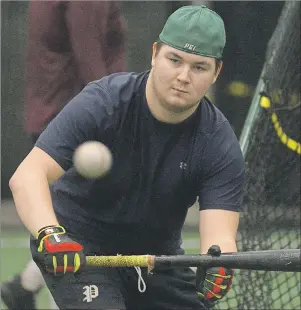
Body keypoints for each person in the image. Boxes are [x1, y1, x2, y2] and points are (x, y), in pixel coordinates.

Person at [8, 5, 244, 310]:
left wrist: (219, 264)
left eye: (199, 67)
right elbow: (27, 176)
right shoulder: (104, 102)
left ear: (216, 73)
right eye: (175, 60)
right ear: (155, 53)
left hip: (156, 257)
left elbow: (220, 237)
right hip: (79, 248)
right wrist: (50, 233)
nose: (183, 76)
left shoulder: (219, 143)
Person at [1, 1, 126, 309]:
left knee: (79, 224)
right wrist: (119, 115)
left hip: (58, 115)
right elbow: (90, 58)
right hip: (76, 121)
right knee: (83, 224)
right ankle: (30, 288)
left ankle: (25, 287)